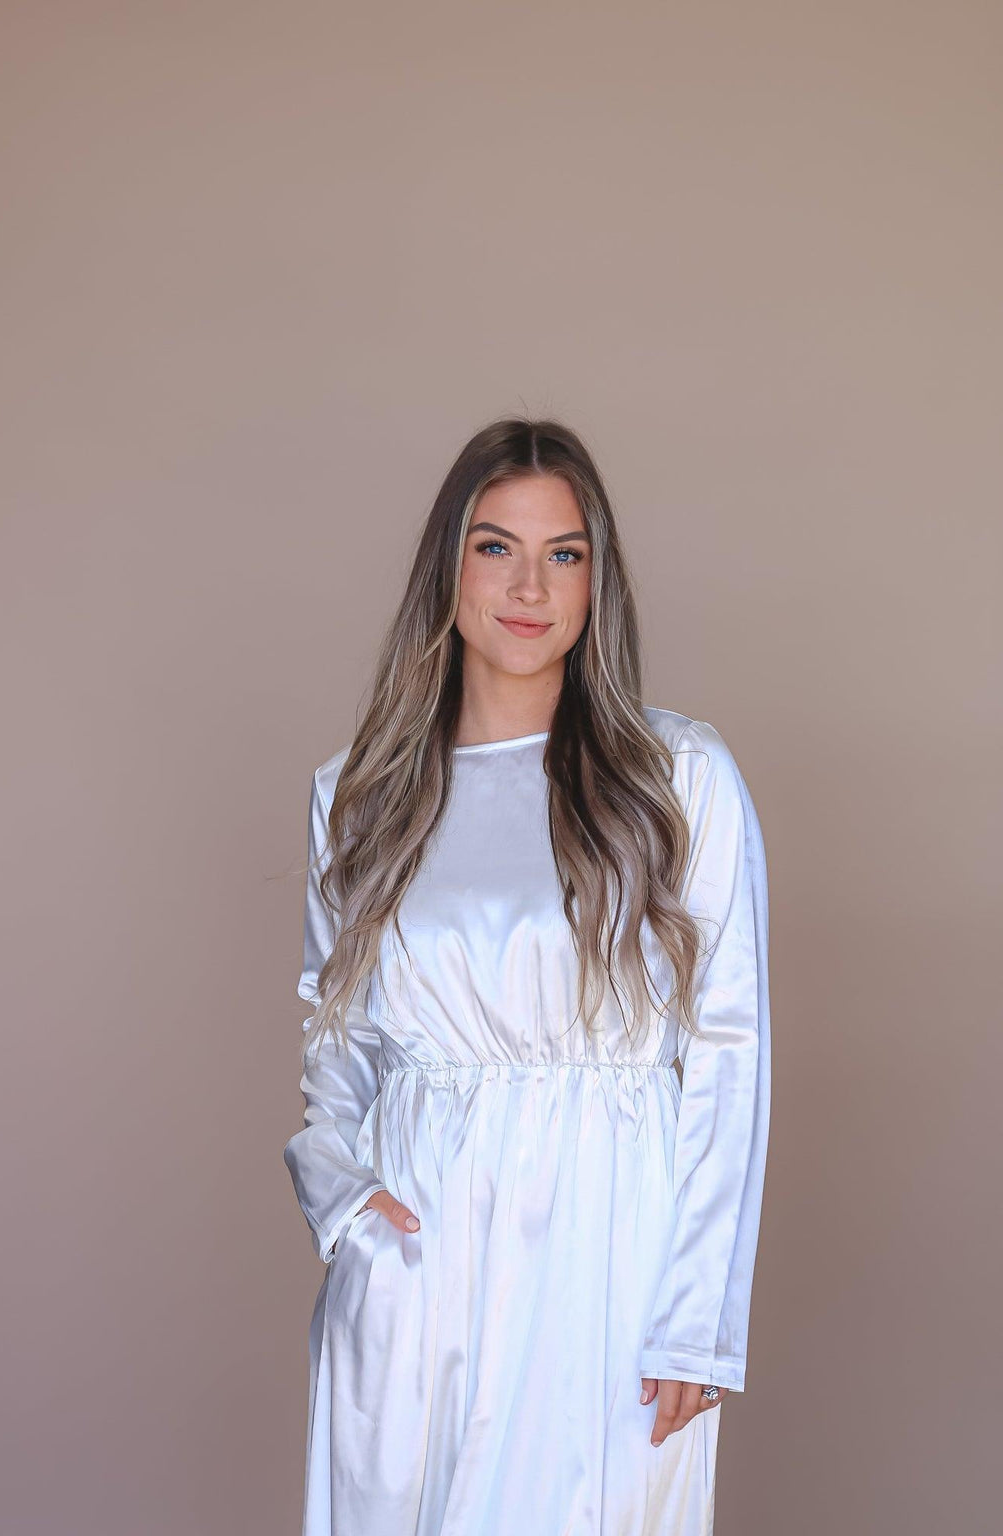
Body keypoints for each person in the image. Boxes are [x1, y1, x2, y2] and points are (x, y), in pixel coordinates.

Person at [283, 417, 771, 1536]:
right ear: (447, 566)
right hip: (420, 1258)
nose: (529, 588)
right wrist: (346, 1206)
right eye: (496, 546)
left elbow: (729, 1047)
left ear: (598, 581)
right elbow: (335, 1038)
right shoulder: (358, 796)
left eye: (565, 554)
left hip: (609, 1250)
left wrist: (696, 1320)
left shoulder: (677, 777)